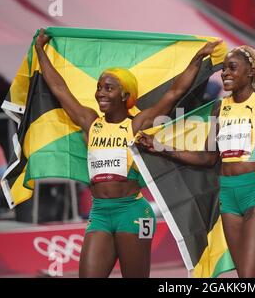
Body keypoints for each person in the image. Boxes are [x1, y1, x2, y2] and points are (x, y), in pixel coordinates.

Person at [34, 28, 221, 278]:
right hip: (99, 212)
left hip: (133, 213)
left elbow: (175, 92)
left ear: (125, 96)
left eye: (108, 88)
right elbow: (59, 89)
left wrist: (197, 58)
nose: (100, 93)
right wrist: (40, 51)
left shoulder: (137, 124)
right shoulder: (90, 121)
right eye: (99, 87)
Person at [139, 46, 255, 277]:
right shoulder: (219, 107)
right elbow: (207, 157)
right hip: (228, 194)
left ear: (251, 71)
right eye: (223, 69)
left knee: (252, 276)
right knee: (244, 276)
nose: (225, 73)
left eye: (232, 68)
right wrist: (160, 146)